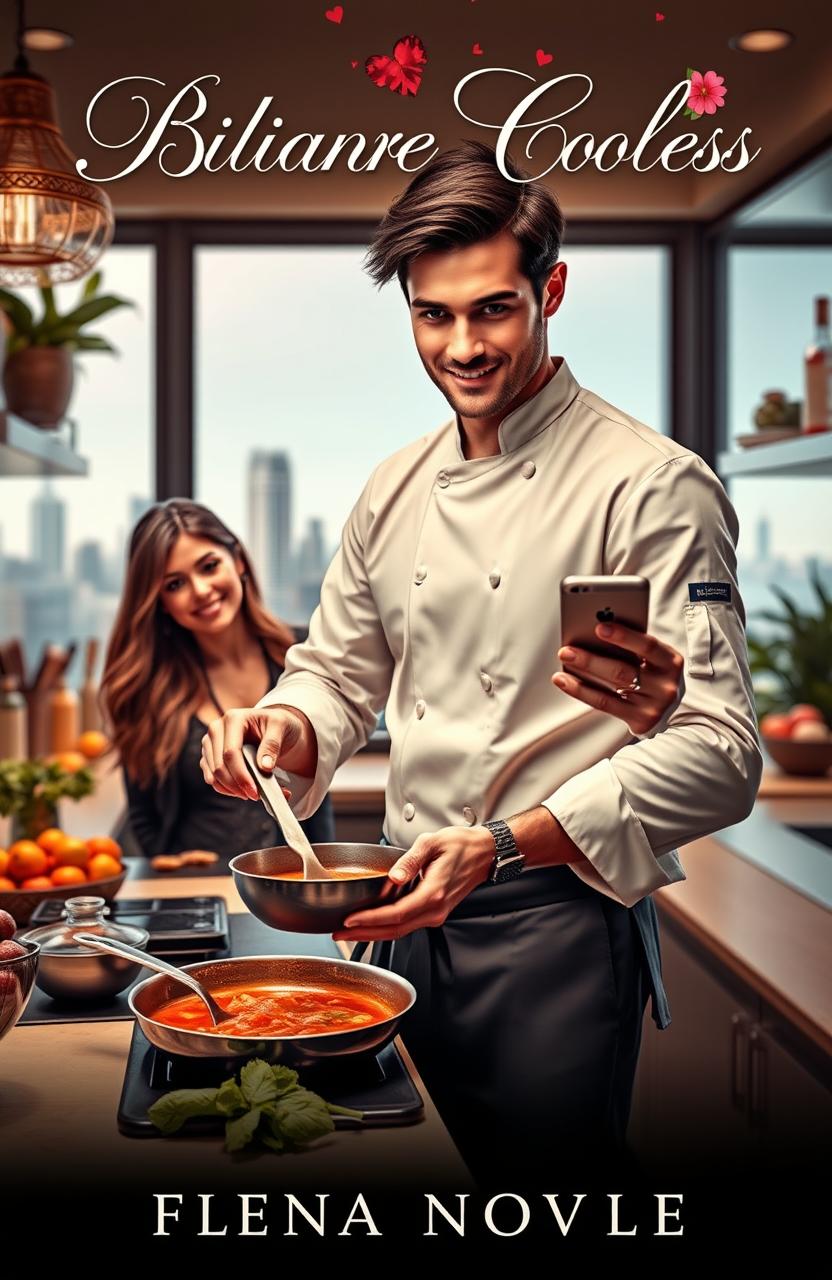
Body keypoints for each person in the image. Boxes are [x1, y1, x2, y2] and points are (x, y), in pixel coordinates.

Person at [199, 142, 762, 1188]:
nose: (461, 345)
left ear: (550, 289)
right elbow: (335, 668)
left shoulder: (650, 485)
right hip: (396, 909)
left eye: (493, 309)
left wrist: (501, 843)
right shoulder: (394, 485)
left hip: (551, 922)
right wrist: (287, 726)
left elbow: (721, 752)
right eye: (432, 314)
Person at [101, 499, 334, 861]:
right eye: (175, 584)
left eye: (209, 567)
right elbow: (143, 817)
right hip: (196, 889)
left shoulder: (302, 655)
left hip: (293, 885)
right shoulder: (145, 688)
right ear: (160, 601)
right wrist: (165, 863)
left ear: (238, 560)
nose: (201, 590)